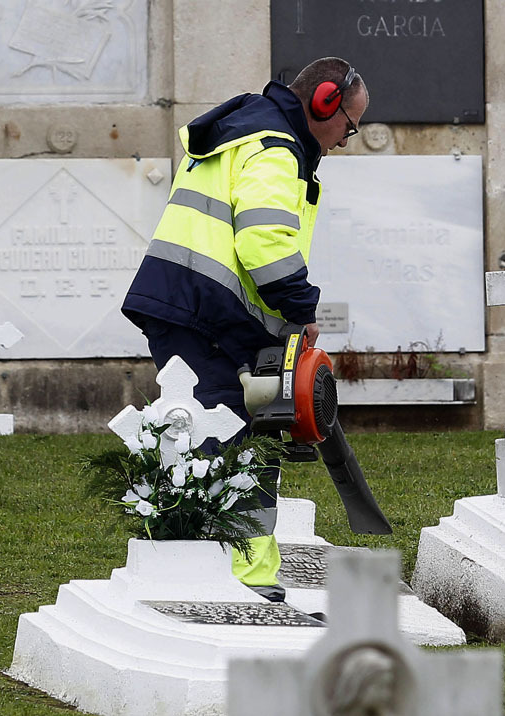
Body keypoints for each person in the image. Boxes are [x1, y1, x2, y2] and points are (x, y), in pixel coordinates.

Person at [121, 57, 368, 600]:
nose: (349, 139)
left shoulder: (246, 132)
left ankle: (187, 561)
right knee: (233, 443)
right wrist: (304, 310)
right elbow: (263, 241)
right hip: (209, 314)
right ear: (323, 103)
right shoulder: (275, 149)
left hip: (191, 308)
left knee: (200, 439)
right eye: (349, 124)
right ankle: (239, 579)